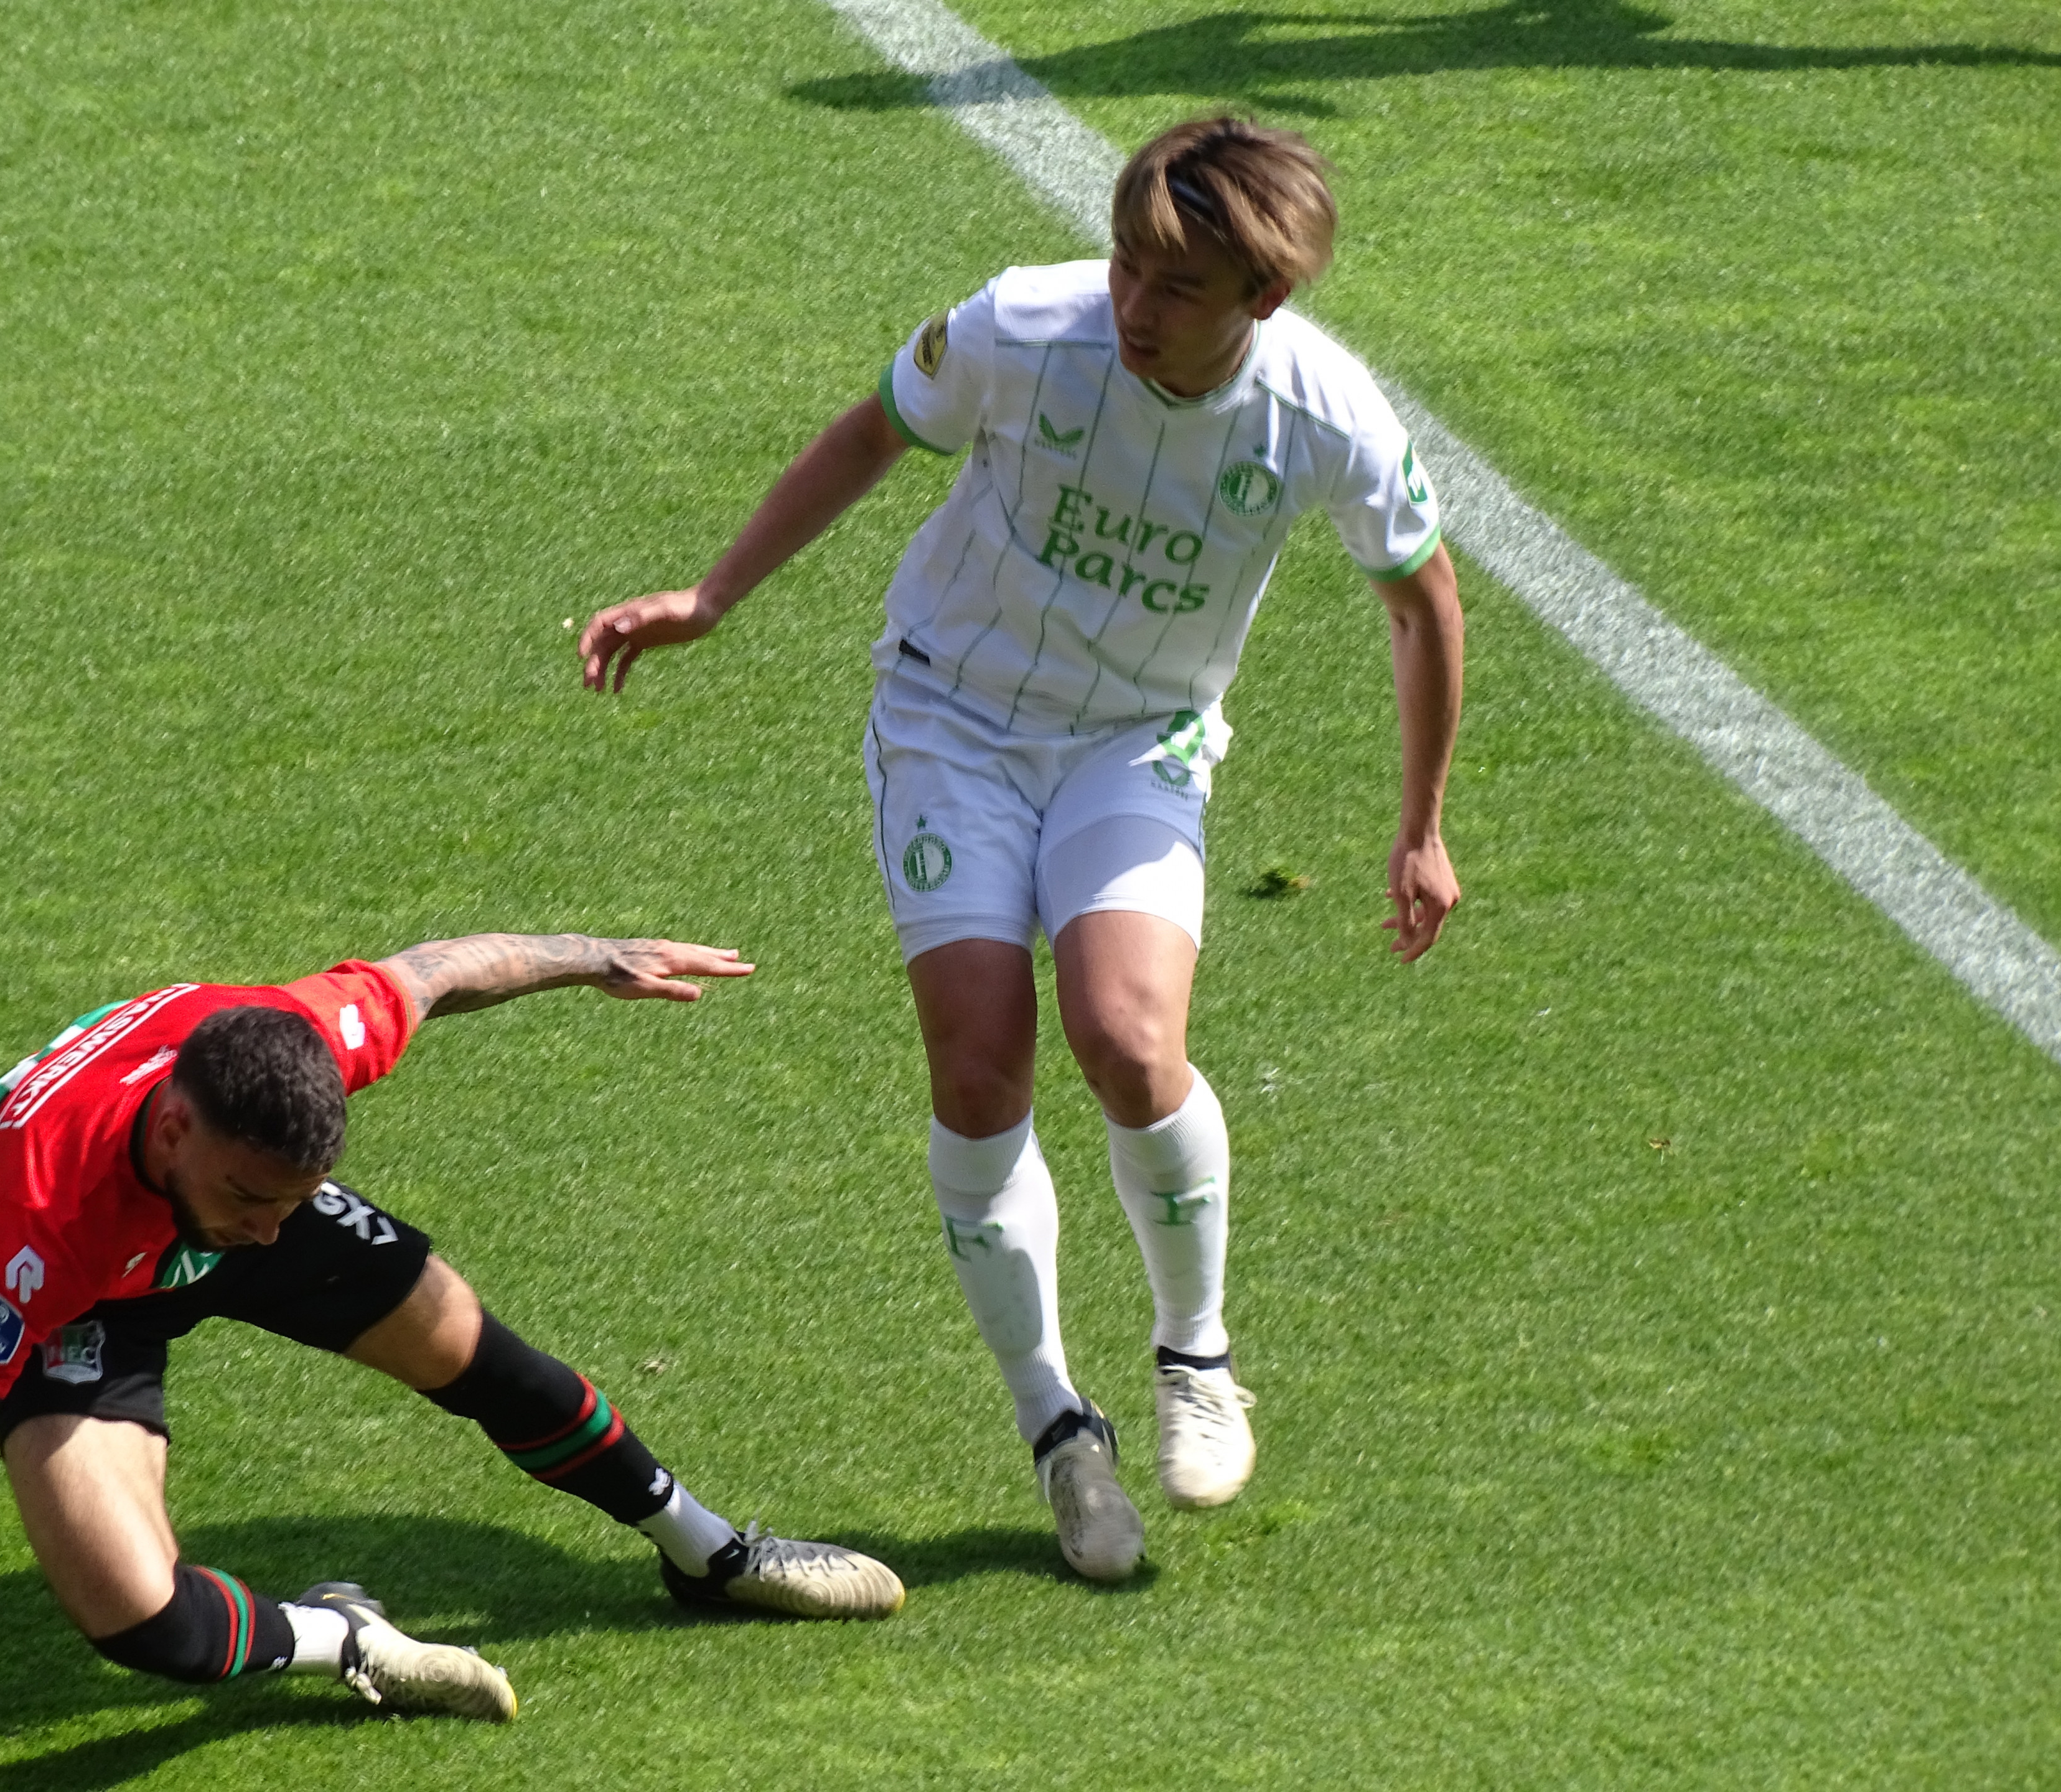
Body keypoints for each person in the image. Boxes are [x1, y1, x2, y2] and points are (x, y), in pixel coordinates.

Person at [577, 117, 1464, 1582]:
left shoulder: (1327, 418)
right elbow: (875, 429)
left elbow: (1421, 599)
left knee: (1125, 1037)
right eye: (1127, 263)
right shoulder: (1026, 325)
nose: (1132, 305)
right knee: (982, 1066)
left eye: (1176, 291)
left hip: (1139, 741)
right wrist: (714, 593)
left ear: (1264, 301)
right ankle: (1059, 1427)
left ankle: (1196, 1355)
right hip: (952, 715)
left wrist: (1420, 824)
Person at [0, 930, 905, 1792]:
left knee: (480, 1355)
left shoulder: (289, 1065)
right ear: (172, 1130)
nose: (265, 1228)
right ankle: (341, 1637)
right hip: (93, 1294)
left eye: (289, 1198)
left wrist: (594, 955)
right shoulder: (37, 1224)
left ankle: (711, 1557)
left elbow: (435, 972)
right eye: (255, 1197)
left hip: (178, 1218)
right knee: (139, 1616)